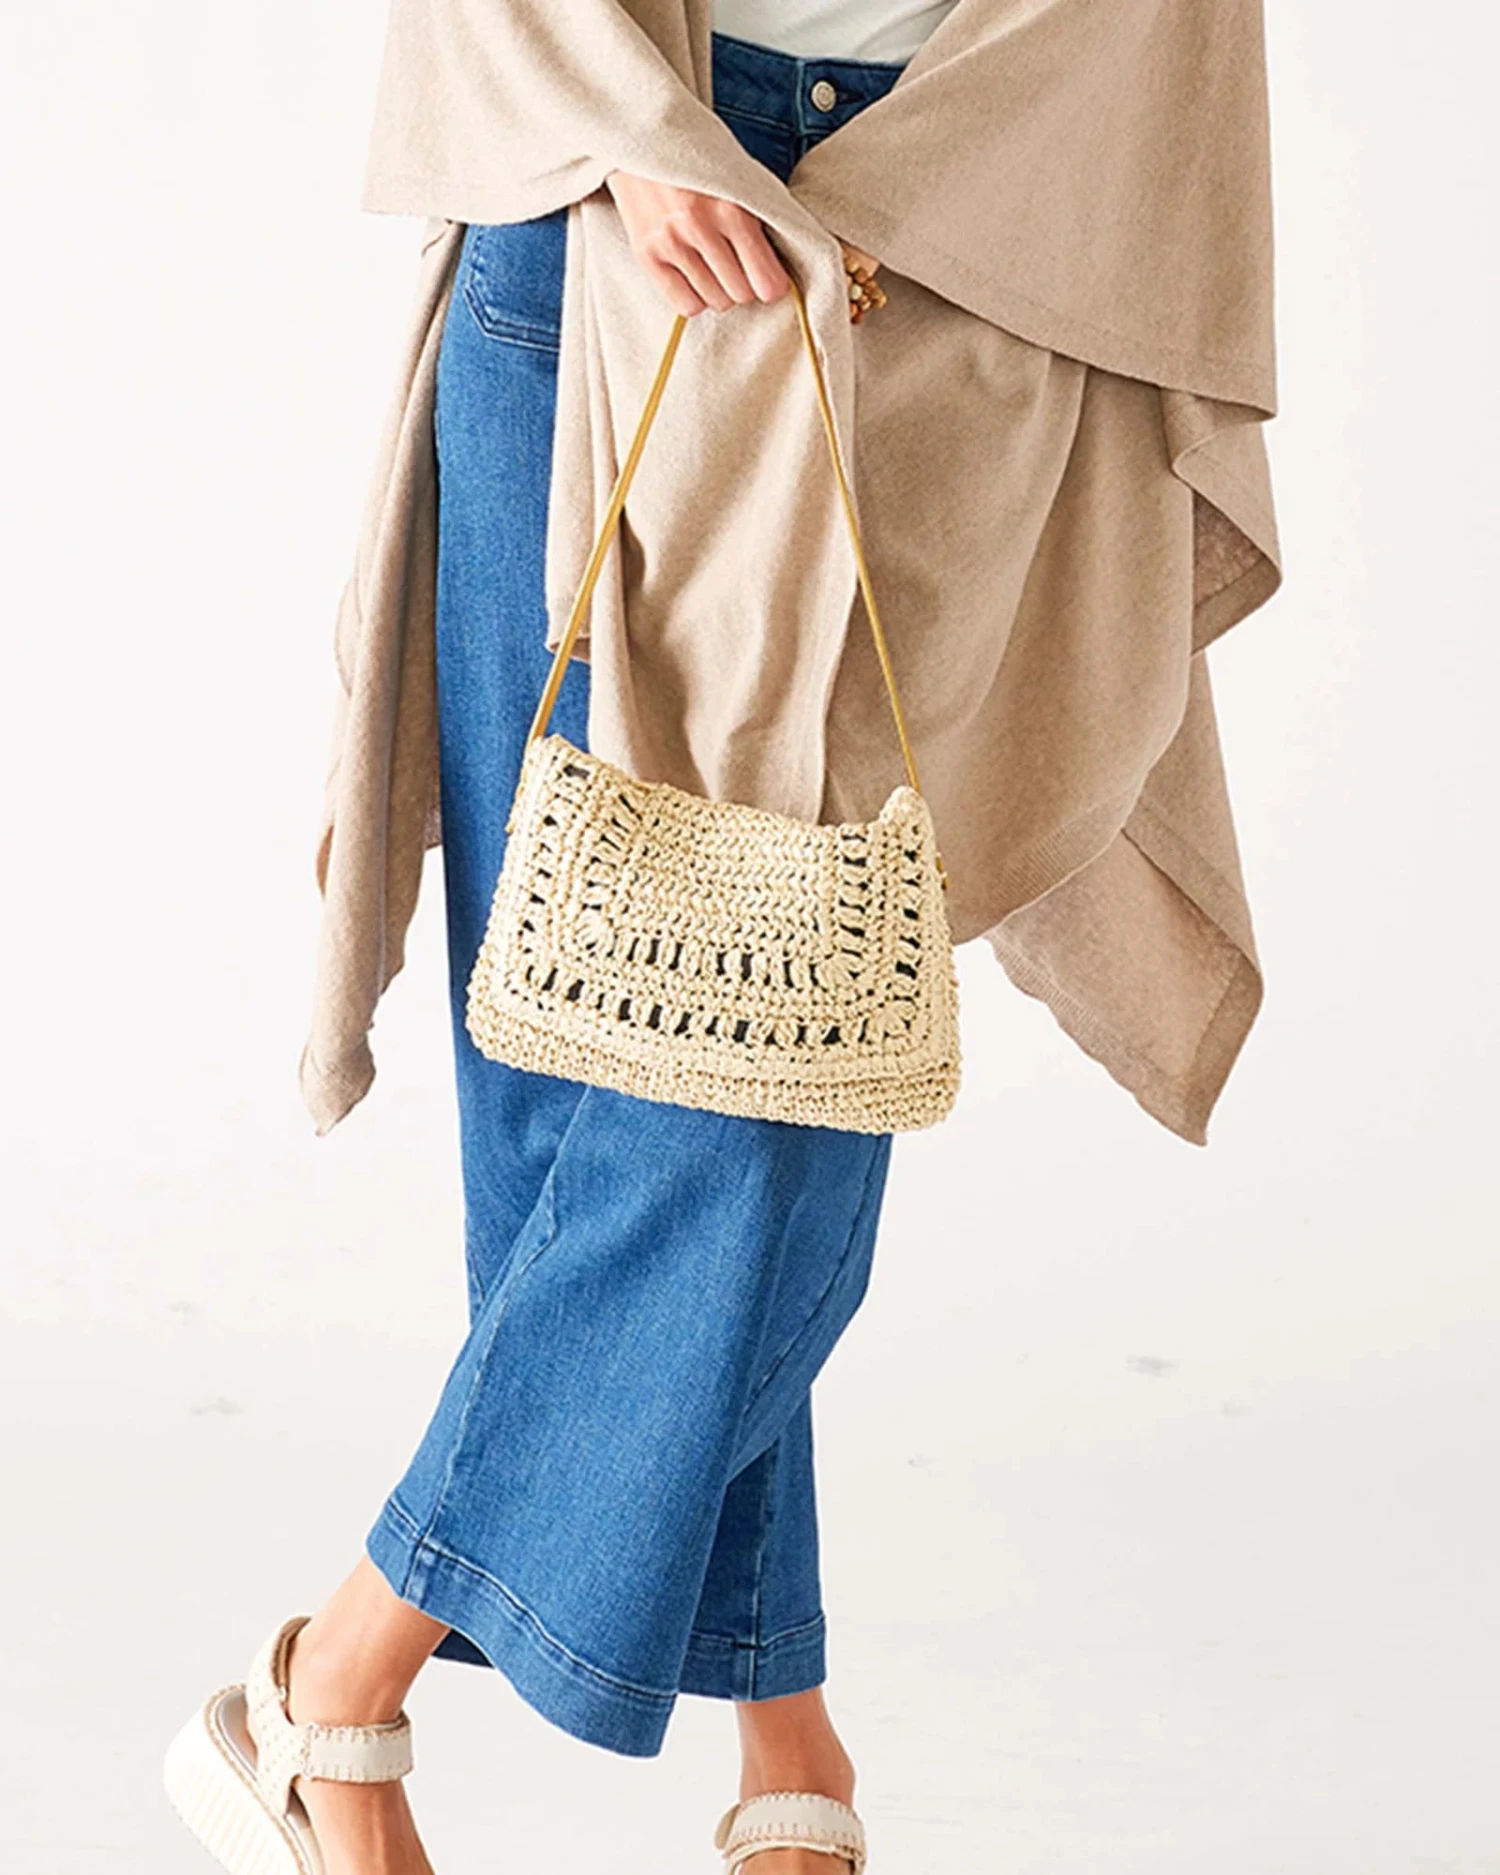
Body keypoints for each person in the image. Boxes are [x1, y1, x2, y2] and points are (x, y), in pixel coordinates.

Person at [164, 16, 971, 1875]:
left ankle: (334, 1681)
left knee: (771, 1045)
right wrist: (613, 127)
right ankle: (771, 1749)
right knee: (628, 1068)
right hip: (614, 224)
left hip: (928, 218)